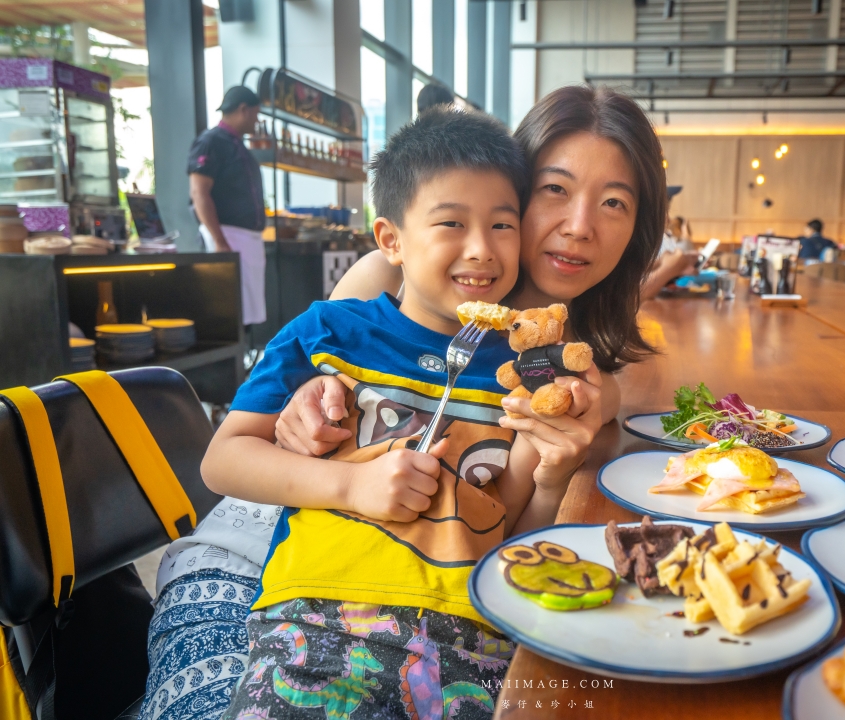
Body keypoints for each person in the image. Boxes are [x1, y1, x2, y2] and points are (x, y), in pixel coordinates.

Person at [140, 85, 667, 719]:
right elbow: (275, 419)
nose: (580, 225)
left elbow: (511, 520)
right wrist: (312, 424)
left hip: (447, 605)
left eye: (614, 202)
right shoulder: (373, 292)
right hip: (282, 555)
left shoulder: (560, 367)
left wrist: (552, 471)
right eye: (555, 189)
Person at [200, 107, 566, 720]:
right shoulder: (330, 332)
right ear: (391, 239)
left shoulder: (528, 367)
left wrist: (551, 460)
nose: (482, 249)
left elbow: (510, 522)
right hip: (317, 617)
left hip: (472, 632)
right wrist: (350, 483)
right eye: (452, 222)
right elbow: (224, 459)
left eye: (503, 225)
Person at [188, 85, 267, 326]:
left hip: (247, 238)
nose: (256, 121)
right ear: (244, 110)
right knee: (230, 310)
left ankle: (246, 360)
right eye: (255, 114)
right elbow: (199, 193)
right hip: (227, 236)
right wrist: (220, 241)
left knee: (248, 312)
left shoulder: (236, 144)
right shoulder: (211, 141)